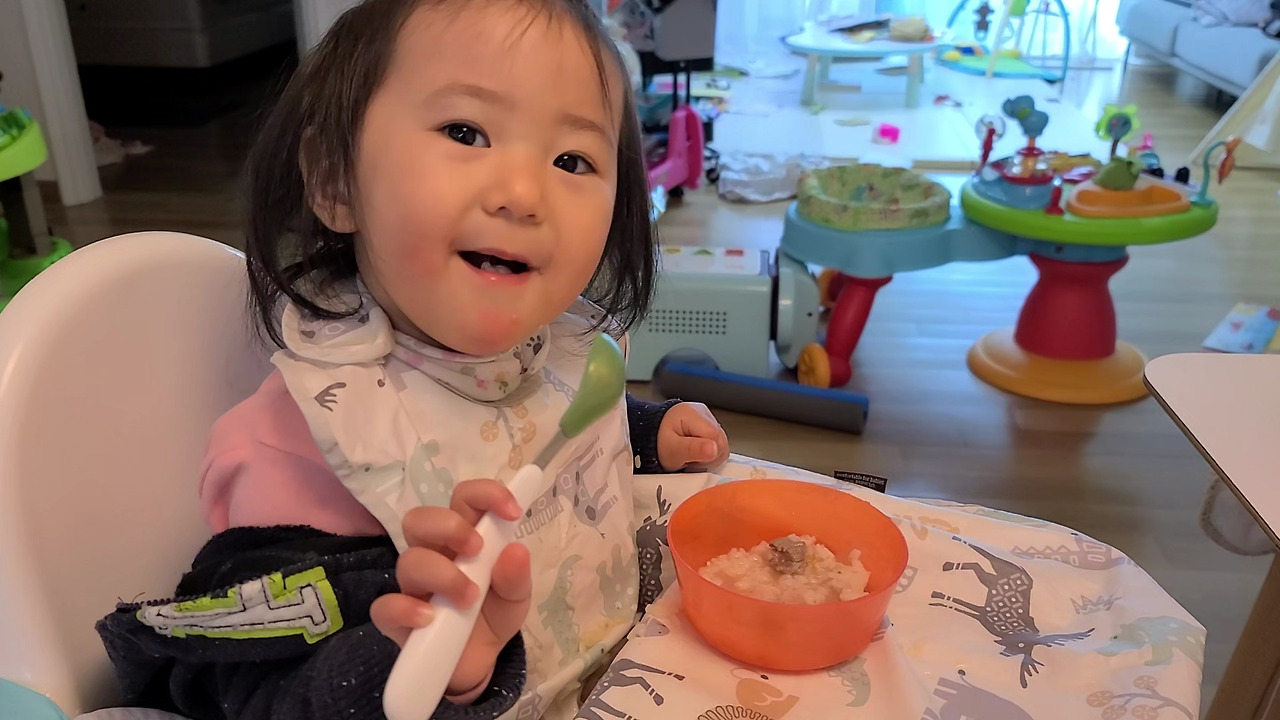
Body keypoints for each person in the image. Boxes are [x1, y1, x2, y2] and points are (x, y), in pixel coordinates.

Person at [95, 2, 729, 718]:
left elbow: (545, 426)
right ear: (335, 180)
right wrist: (422, 667)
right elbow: (246, 690)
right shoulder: (302, 448)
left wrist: (643, 432)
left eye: (571, 160)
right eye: (466, 132)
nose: (525, 195)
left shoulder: (556, 350)